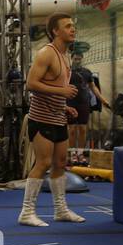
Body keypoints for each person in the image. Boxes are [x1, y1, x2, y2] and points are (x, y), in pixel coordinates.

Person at [19, 14, 85, 226]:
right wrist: (63, 91)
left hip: (58, 117)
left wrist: (65, 105)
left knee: (60, 163)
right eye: (67, 26)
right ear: (55, 31)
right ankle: (27, 212)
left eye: (73, 25)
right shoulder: (46, 53)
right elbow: (31, 83)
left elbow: (53, 87)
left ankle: (61, 209)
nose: (72, 29)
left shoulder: (66, 56)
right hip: (42, 118)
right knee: (44, 162)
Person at [66, 49, 109, 149]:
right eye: (76, 59)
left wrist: (103, 100)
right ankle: (71, 153)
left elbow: (93, 87)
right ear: (71, 59)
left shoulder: (87, 72)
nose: (78, 61)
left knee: (82, 129)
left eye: (80, 59)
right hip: (70, 103)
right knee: (71, 130)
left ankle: (80, 154)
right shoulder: (67, 72)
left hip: (84, 103)